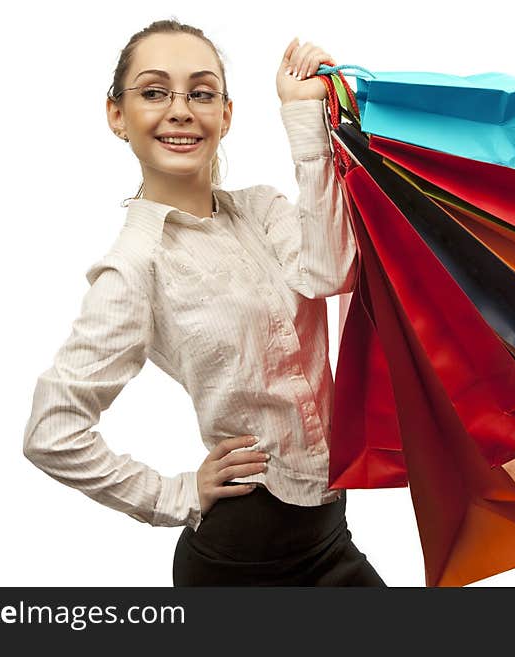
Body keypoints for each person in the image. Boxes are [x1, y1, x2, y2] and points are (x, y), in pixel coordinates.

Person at [22, 18, 386, 587]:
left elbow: (331, 271)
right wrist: (175, 493)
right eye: (154, 91)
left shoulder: (263, 211)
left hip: (330, 533)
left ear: (226, 113)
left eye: (200, 92)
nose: (180, 109)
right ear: (117, 115)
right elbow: (52, 432)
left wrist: (302, 116)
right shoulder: (135, 267)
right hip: (239, 558)